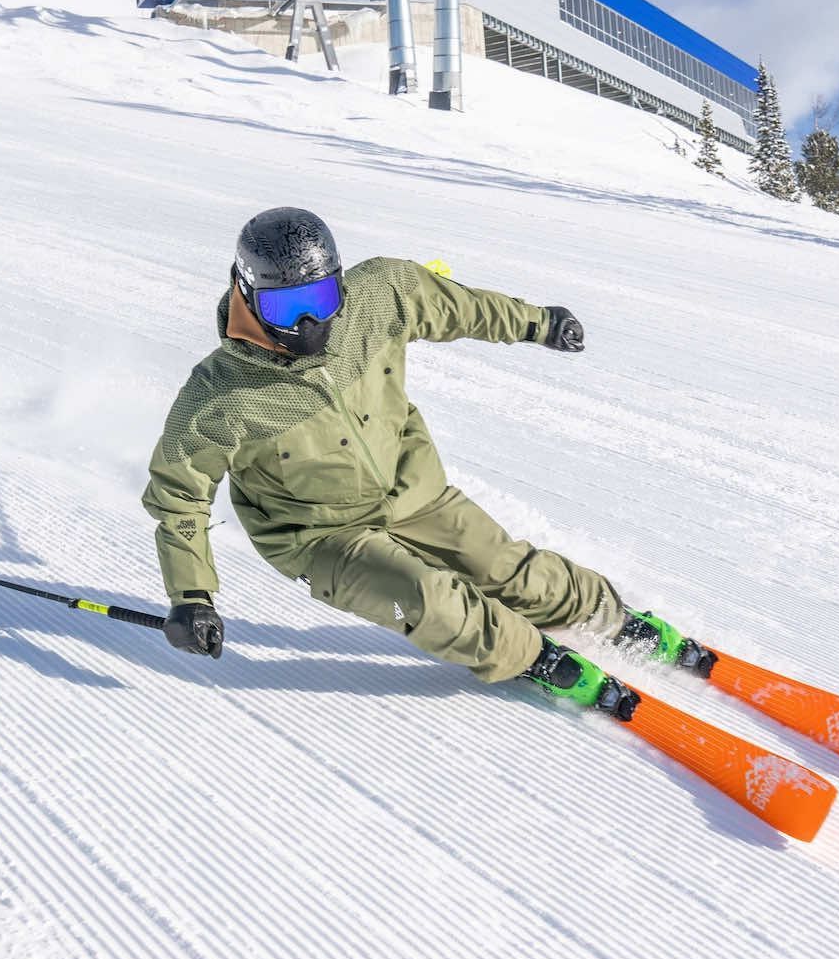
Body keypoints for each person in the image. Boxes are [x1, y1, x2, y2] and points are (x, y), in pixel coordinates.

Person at [142, 207, 696, 717]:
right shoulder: (219, 395)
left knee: (509, 570)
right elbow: (179, 498)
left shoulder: (381, 294)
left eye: (324, 299)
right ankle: (531, 658)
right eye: (287, 307)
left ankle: (612, 619)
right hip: (322, 537)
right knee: (432, 598)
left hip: (415, 492)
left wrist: (538, 323)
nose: (312, 323)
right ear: (247, 294)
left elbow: (461, 307)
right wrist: (191, 596)